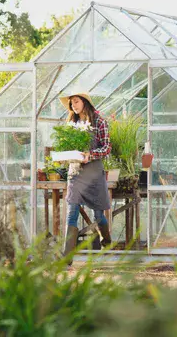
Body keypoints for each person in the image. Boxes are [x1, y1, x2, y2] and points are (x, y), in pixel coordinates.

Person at [58, 92, 112, 263]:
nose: (73, 105)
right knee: (72, 211)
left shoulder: (99, 121)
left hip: (94, 173)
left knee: (98, 215)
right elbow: (65, 145)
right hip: (75, 173)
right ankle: (67, 256)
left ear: (85, 102)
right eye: (71, 103)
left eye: (76, 101)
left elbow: (107, 147)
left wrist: (91, 154)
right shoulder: (71, 123)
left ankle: (106, 241)